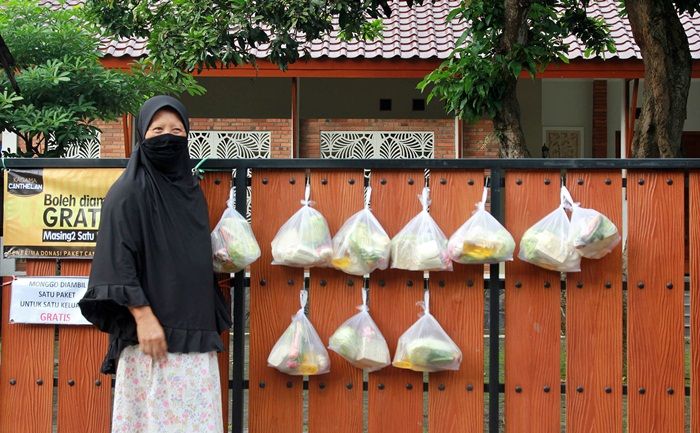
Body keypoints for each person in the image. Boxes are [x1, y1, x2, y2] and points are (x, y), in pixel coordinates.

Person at [79, 95, 231, 433]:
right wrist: (143, 316)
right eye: (157, 129)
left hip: (195, 335)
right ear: (141, 136)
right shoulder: (128, 191)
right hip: (153, 339)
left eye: (178, 130)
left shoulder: (189, 190)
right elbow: (117, 257)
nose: (168, 137)